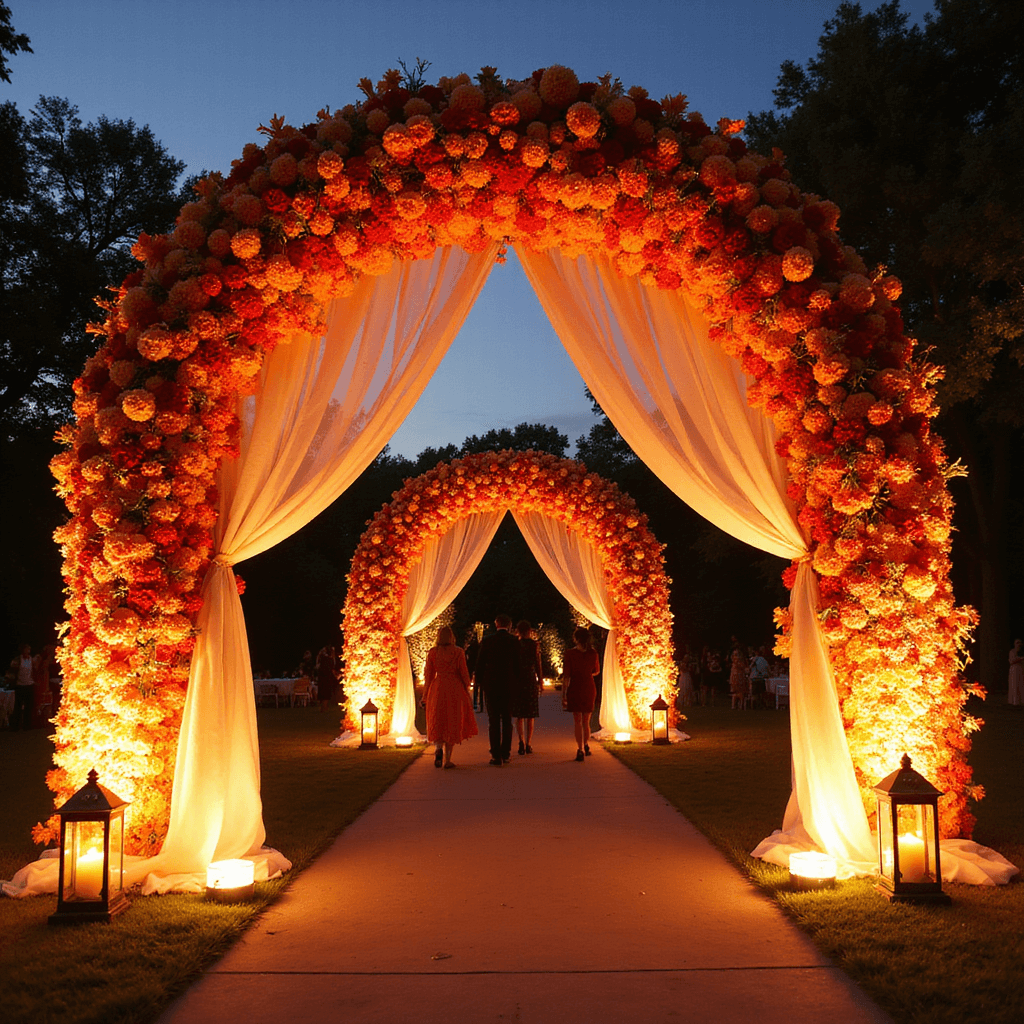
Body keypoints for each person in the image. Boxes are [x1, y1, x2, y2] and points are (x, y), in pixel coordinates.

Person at [421, 626, 478, 767]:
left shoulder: (433, 653)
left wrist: (425, 696)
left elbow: (428, 675)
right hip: (454, 688)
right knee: (452, 720)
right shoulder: (458, 652)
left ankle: (438, 748)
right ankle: (447, 760)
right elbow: (464, 673)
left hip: (438, 687)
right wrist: (467, 686)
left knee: (438, 719)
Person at [473, 614, 522, 765]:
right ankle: (506, 752)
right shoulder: (514, 641)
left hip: (491, 684)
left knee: (493, 720)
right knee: (507, 720)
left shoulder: (488, 641)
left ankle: (495, 754)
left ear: (496, 624)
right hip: (509, 684)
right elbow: (518, 665)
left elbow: (480, 663)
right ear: (509, 625)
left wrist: (479, 682)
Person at [562, 626, 600, 762]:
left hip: (576, 686)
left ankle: (580, 749)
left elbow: (567, 676)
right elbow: (596, 671)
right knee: (586, 721)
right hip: (589, 686)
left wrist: (564, 694)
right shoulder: (593, 653)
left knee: (577, 721)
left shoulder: (569, 654)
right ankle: (586, 744)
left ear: (576, 639)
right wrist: (587, 672)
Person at [512, 620, 543, 754]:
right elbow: (538, 663)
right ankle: (529, 743)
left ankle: (520, 741)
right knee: (530, 714)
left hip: (518, 679)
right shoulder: (534, 645)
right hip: (530, 678)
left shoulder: (515, 645)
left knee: (519, 714)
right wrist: (540, 681)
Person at [10, 644, 34, 732]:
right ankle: (16, 726)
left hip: (29, 685)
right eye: (26, 649)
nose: (28, 651)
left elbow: (33, 670)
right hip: (20, 685)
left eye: (29, 649)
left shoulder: (31, 659)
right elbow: (12, 669)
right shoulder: (18, 659)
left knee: (28, 707)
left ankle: (27, 726)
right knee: (18, 706)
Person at [316, 645, 339, 712]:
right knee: (325, 693)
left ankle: (323, 707)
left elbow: (318, 664)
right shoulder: (327, 659)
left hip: (323, 678)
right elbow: (332, 666)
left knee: (323, 693)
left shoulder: (323, 658)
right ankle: (324, 707)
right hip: (326, 678)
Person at [749, 645, 770, 710]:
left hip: (755, 678)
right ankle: (762, 705)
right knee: (761, 693)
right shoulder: (762, 660)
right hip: (760, 678)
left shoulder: (753, 659)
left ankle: (754, 706)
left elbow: (750, 668)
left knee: (755, 693)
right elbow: (767, 668)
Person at [729, 645, 748, 710]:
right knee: (737, 692)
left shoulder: (738, 661)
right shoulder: (736, 661)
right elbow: (742, 667)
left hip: (738, 676)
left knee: (739, 692)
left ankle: (738, 705)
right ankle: (736, 705)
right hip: (736, 677)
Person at [1009, 639, 1024, 706]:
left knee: (1021, 684)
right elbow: (1011, 661)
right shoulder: (1012, 652)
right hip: (1014, 670)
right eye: (1017, 643)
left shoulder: (1022, 652)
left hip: (1021, 669)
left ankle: (1021, 701)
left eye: (1020, 643)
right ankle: (1015, 701)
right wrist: (1020, 659)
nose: (1019, 645)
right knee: (1014, 684)